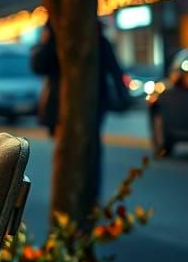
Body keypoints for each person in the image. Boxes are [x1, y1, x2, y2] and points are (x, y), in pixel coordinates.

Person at [31, 19, 127, 201]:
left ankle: (86, 199)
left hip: (90, 104)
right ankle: (75, 200)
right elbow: (38, 65)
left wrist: (123, 97)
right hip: (67, 106)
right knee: (75, 151)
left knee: (87, 150)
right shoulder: (60, 42)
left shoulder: (94, 42)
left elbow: (115, 70)